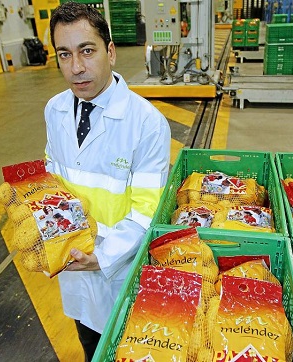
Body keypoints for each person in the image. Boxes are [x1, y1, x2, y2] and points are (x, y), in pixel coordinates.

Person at [45, 2, 171, 361]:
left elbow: (148, 211)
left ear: (110, 52)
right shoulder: (54, 110)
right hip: (71, 264)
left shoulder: (146, 123)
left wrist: (102, 256)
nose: (77, 68)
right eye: (64, 54)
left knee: (123, 348)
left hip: (120, 272)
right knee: (89, 344)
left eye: (87, 51)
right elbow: (54, 177)